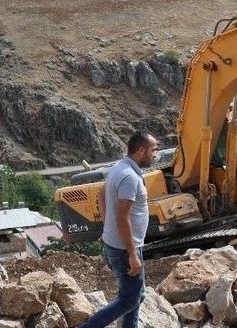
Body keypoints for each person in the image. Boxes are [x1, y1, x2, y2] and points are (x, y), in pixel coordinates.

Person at [79, 132, 157, 328]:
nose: (155, 155)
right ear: (141, 151)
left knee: (137, 295)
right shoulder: (129, 177)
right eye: (153, 150)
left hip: (120, 244)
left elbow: (101, 193)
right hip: (125, 249)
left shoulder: (118, 167)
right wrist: (133, 254)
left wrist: (107, 227)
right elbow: (122, 218)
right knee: (129, 300)